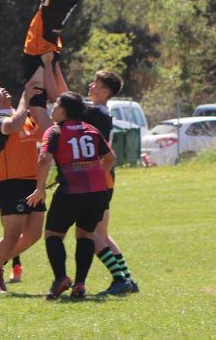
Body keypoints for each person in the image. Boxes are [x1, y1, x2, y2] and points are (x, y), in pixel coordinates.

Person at [43, 59, 139, 295]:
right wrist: (55, 65)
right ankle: (126, 278)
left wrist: (49, 65)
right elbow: (67, 97)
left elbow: (63, 97)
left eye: (95, 83)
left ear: (105, 91)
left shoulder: (94, 113)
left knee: (92, 233)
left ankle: (120, 278)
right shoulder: (98, 112)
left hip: (96, 177)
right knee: (100, 233)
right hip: (102, 175)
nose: (90, 85)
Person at [26, 92, 115, 299]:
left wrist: (40, 188)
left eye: (55, 105)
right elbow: (110, 157)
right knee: (85, 235)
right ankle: (80, 284)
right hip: (97, 192)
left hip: (71, 192)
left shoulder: (55, 131)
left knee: (53, 235)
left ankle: (61, 279)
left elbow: (44, 158)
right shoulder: (91, 129)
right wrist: (96, 174)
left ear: (64, 110)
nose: (52, 109)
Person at [1, 0, 87, 133]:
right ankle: (72, 135)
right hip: (48, 47)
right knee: (50, 100)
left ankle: (63, 141)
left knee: (37, 106)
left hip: (39, 50)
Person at [0, 80, 44, 294]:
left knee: (34, 234)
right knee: (12, 235)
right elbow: (13, 126)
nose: (2, 89)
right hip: (11, 182)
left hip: (33, 182)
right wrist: (26, 96)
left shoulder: (24, 115)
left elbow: (43, 135)